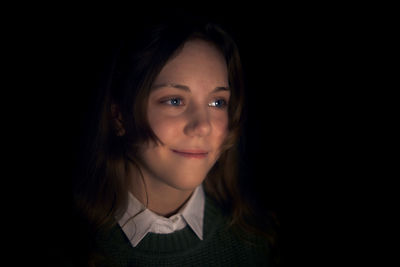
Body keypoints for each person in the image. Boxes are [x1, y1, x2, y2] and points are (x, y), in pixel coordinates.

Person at [65, 12, 279, 266]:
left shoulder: (256, 242)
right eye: (175, 100)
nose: (202, 126)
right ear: (119, 117)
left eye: (217, 102)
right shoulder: (71, 245)